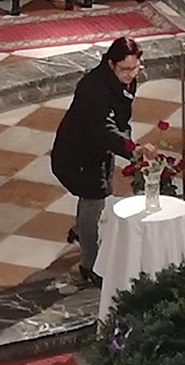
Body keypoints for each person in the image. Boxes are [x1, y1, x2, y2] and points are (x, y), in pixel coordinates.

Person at [50, 37, 155, 285]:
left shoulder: (124, 81)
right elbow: (104, 129)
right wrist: (132, 149)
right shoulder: (93, 89)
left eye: (135, 68)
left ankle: (80, 230)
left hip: (99, 151)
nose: (131, 75)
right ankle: (90, 265)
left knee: (97, 195)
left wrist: (128, 144)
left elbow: (121, 120)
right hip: (77, 154)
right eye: (125, 69)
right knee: (93, 200)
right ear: (111, 64)